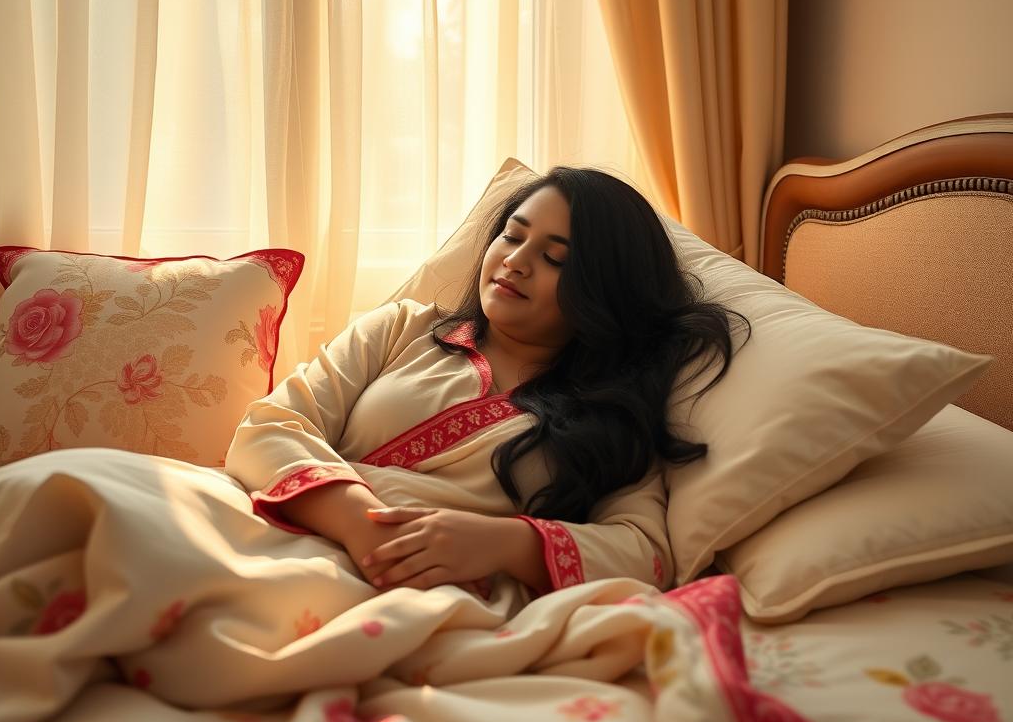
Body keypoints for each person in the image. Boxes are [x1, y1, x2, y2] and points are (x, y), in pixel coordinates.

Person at [224, 167, 747, 600]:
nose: (515, 263)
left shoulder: (611, 417)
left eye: (554, 259)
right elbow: (269, 426)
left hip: (423, 594)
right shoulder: (398, 330)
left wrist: (504, 543)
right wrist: (360, 525)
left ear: (606, 289)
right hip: (281, 529)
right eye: (513, 236)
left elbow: (644, 554)